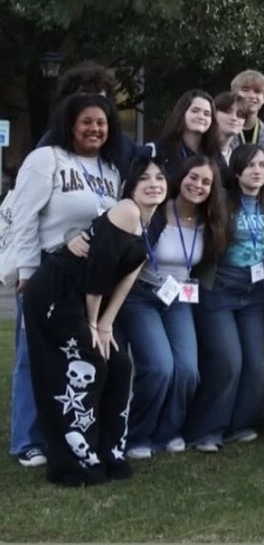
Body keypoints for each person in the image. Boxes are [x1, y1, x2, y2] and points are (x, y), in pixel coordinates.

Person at [22, 159, 167, 485]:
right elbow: (99, 273)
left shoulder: (151, 220)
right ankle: (74, 462)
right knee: (89, 361)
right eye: (144, 178)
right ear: (130, 186)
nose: (154, 183)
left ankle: (109, 451)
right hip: (57, 292)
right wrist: (92, 324)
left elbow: (127, 278)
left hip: (87, 297)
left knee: (118, 364)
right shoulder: (127, 210)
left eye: (159, 177)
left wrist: (106, 325)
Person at [7, 94, 124, 468]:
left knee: (73, 356)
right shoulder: (46, 160)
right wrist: (27, 272)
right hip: (46, 269)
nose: (95, 129)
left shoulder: (110, 170)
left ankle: (67, 431)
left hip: (87, 277)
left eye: (102, 123)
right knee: (32, 354)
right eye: (87, 121)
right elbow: (24, 218)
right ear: (70, 124)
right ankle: (26, 439)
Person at [117, 155, 229, 459]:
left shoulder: (209, 221)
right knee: (158, 367)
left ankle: (169, 431)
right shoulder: (155, 211)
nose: (198, 185)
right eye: (193, 177)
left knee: (188, 370)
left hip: (179, 298)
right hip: (141, 295)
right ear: (180, 177)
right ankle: (139, 435)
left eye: (206, 181)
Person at [184, 145, 264, 452]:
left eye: (262, 164)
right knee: (227, 361)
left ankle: (239, 424)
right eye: (250, 166)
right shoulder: (221, 201)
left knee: (252, 363)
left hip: (253, 291)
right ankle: (204, 430)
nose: (258, 170)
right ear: (237, 171)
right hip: (218, 289)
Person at [147, 89, 223, 181]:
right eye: (195, 111)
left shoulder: (215, 154)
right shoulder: (157, 150)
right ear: (182, 114)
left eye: (207, 114)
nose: (201, 117)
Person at [230, 69, 264, 161]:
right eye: (245, 90)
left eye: (257, 91)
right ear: (234, 94)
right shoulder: (223, 131)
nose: (252, 96)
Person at [213, 92, 245, 166]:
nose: (234, 118)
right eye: (227, 112)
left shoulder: (240, 158)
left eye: (240, 115)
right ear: (214, 114)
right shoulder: (198, 150)